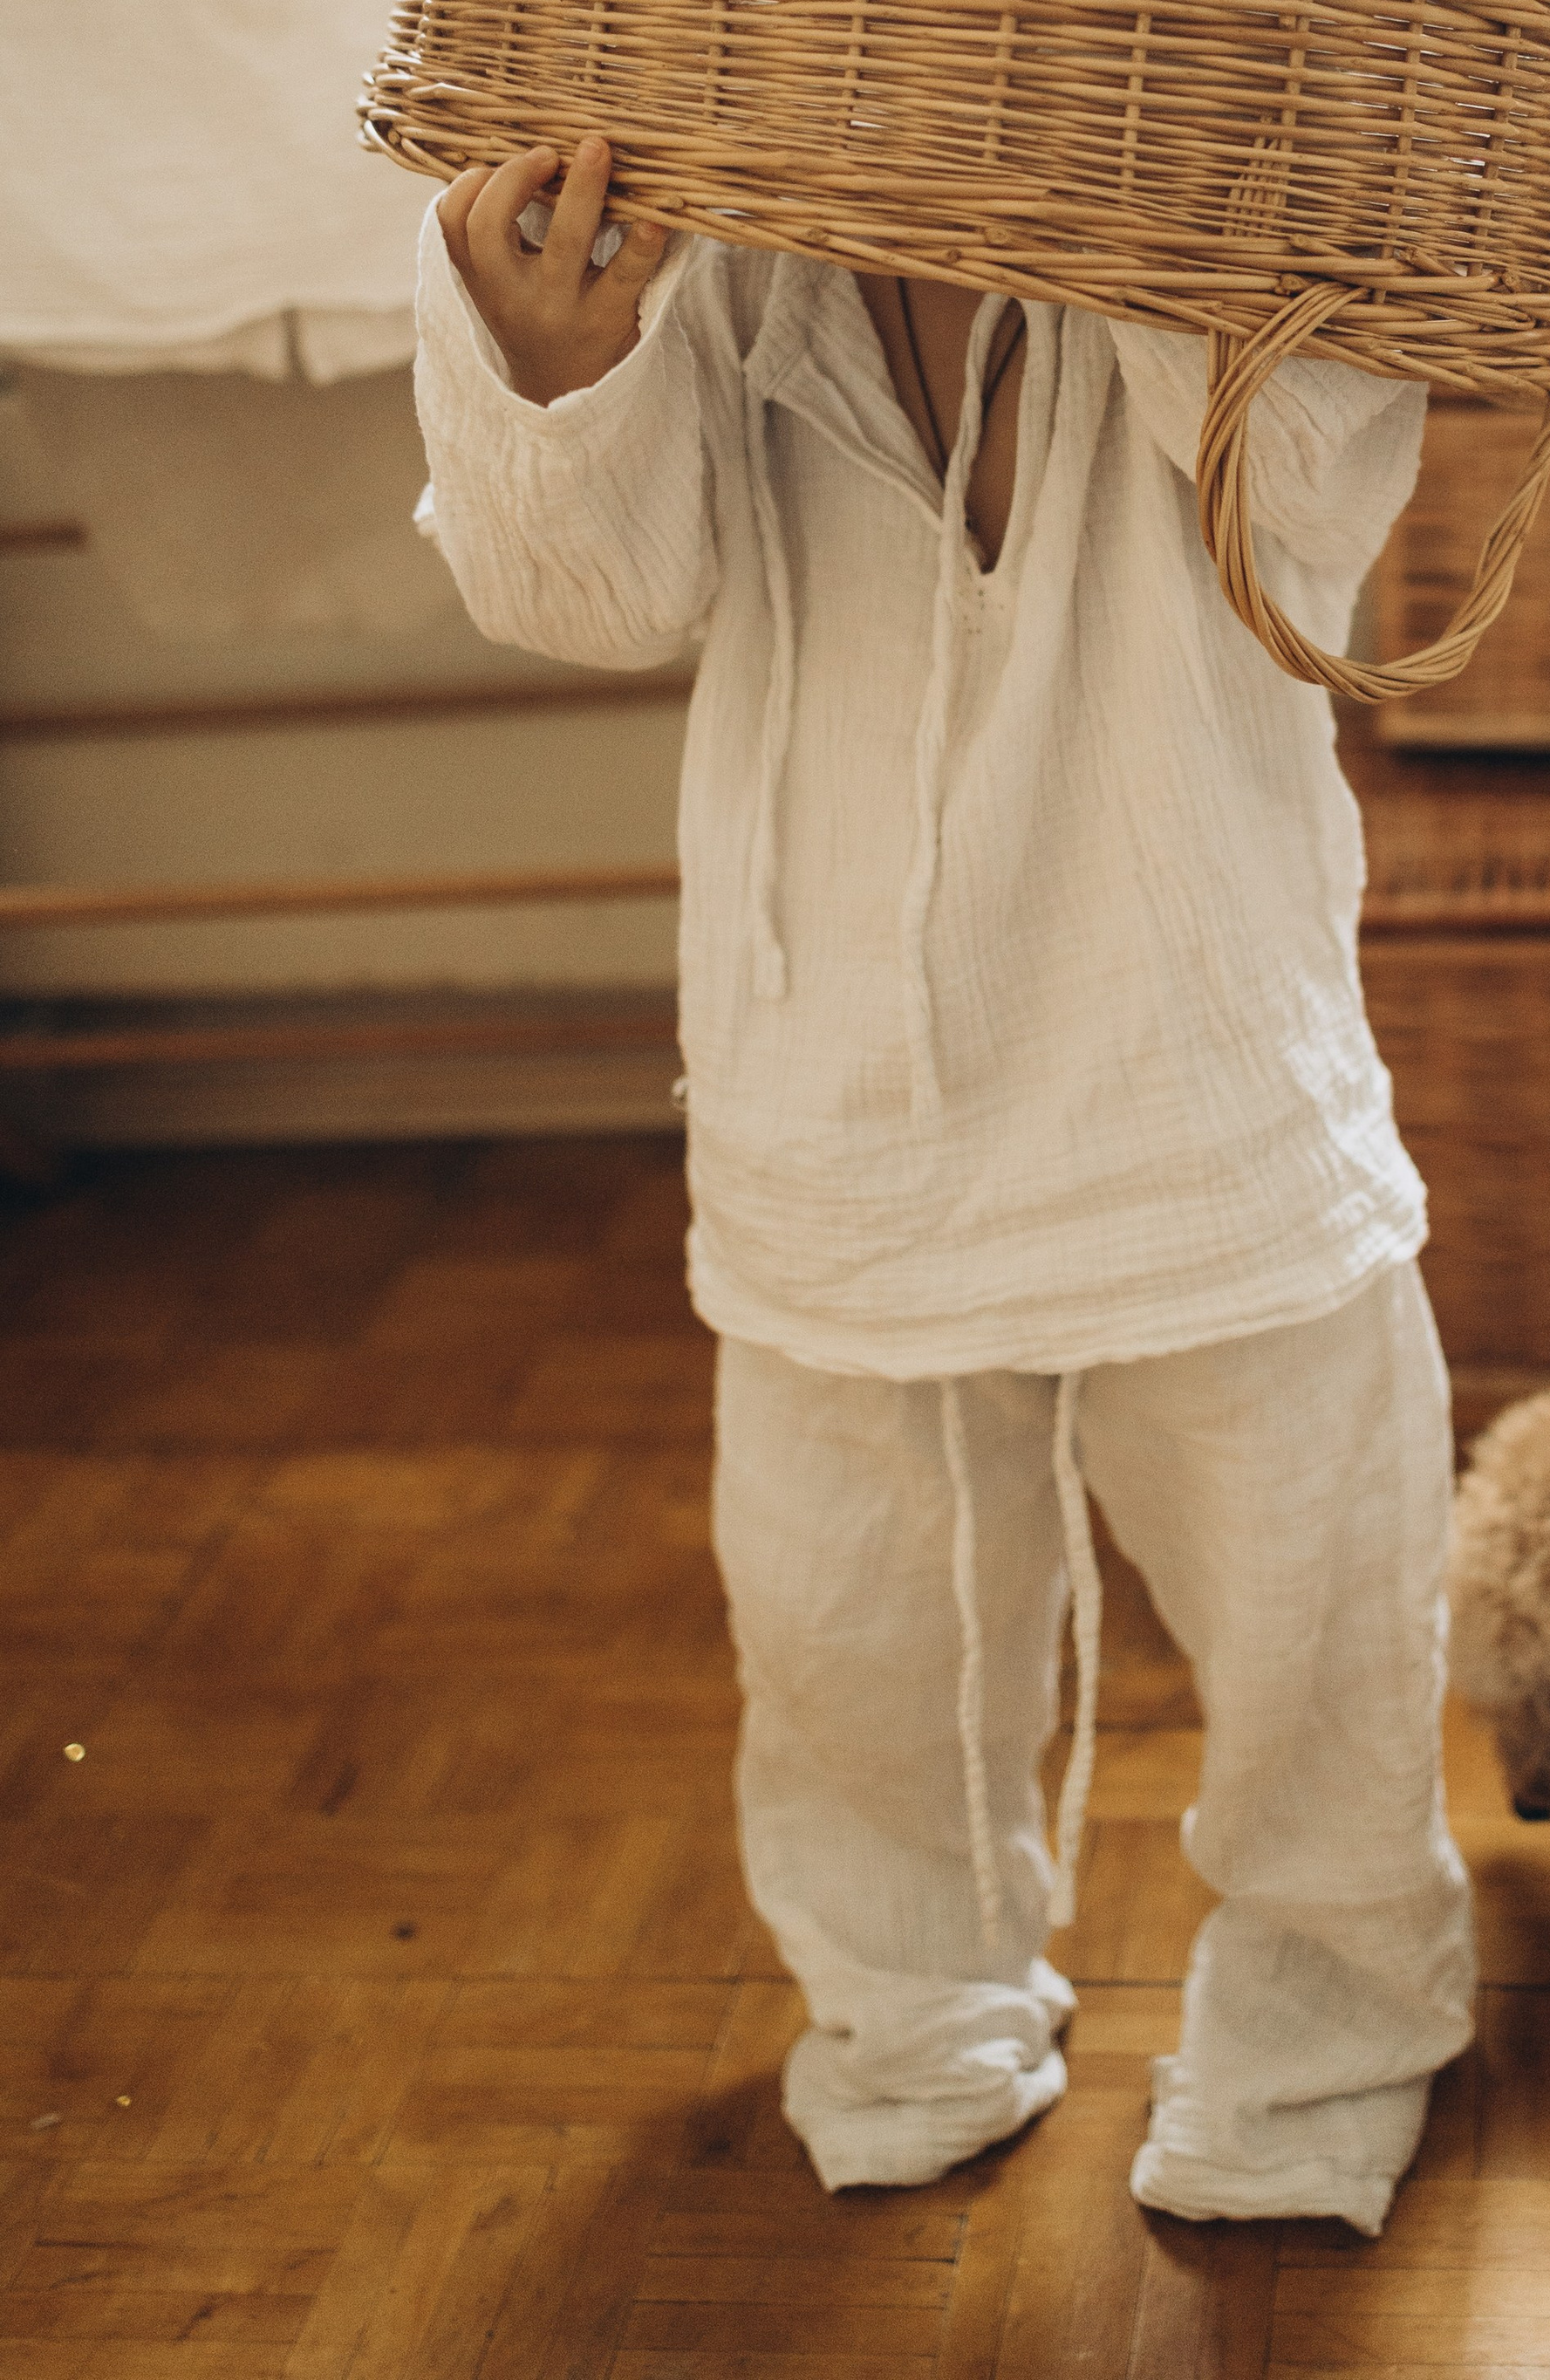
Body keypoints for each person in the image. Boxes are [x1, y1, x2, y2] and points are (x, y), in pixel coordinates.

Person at [415, 130, 1476, 2233]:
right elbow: (587, 590)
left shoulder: (1241, 128)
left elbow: (1310, 512)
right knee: (850, 1621)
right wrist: (552, 360)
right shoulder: (693, 187)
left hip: (1185, 1034)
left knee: (1310, 1597)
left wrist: (1154, 199)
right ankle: (910, 1999)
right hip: (839, 1074)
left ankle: (1330, 2020)